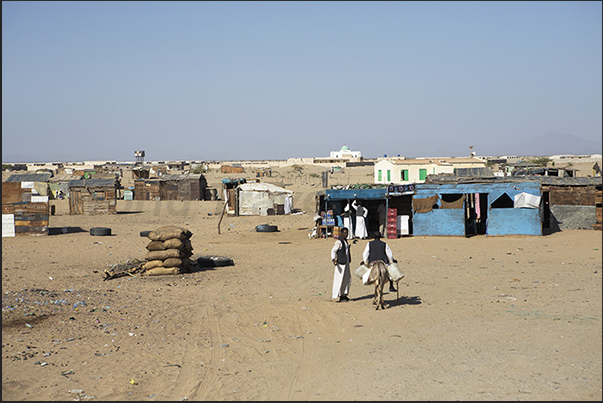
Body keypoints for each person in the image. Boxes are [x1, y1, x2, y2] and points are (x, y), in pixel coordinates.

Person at [330, 227, 351, 302]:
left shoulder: (345, 242)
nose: (346, 234)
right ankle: (338, 295)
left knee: (347, 279)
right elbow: (333, 251)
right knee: (339, 280)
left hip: (346, 263)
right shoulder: (339, 242)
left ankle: (344, 295)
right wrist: (333, 259)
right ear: (341, 233)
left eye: (347, 233)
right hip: (341, 264)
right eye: (344, 233)